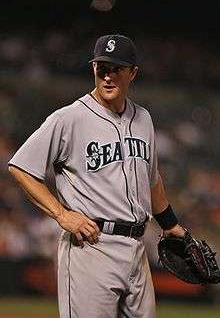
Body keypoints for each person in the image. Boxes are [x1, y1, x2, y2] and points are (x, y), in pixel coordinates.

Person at [9, 34, 186, 318]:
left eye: (116, 69)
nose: (108, 76)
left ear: (133, 73)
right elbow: (20, 167)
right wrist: (62, 214)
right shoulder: (68, 118)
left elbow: (151, 179)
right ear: (93, 69)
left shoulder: (144, 119)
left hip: (137, 248)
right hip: (92, 247)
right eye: (102, 68)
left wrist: (170, 224)